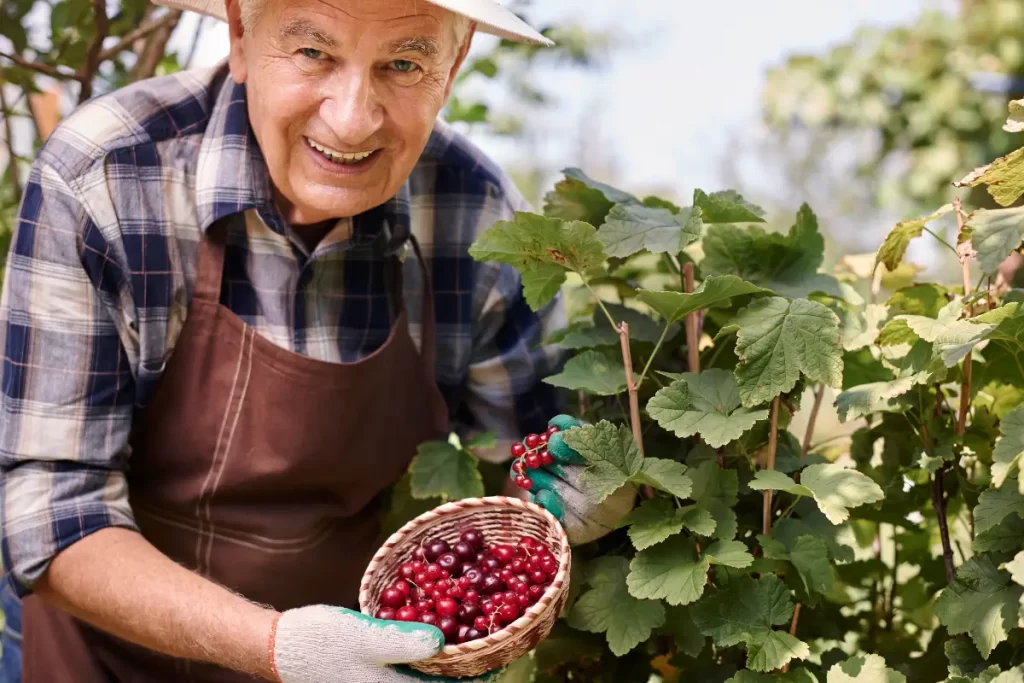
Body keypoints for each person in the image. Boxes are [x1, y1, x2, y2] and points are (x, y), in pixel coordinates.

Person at [0, 0, 637, 680]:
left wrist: (582, 495)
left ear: (452, 66)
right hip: (102, 658)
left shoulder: (475, 213)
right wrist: (274, 644)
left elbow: (525, 473)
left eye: (403, 64)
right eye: (314, 54)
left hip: (355, 661)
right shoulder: (108, 174)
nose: (352, 118)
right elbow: (53, 517)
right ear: (241, 32)